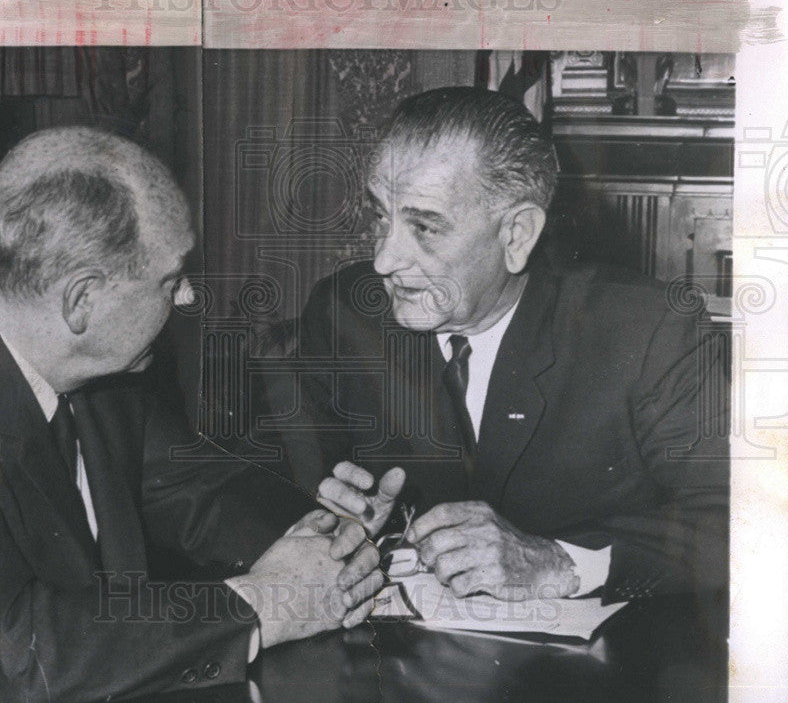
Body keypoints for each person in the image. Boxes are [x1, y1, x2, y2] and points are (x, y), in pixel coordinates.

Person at [0, 127, 383, 703]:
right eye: (170, 279)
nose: (187, 298)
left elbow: (200, 491)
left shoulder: (102, 371)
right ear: (82, 300)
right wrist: (263, 604)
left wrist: (332, 538)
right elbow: (14, 655)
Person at [287, 87, 729, 604]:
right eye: (381, 216)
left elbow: (739, 524)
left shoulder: (647, 329)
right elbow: (287, 491)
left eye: (424, 226)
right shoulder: (345, 313)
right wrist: (336, 523)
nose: (384, 260)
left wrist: (562, 564)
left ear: (516, 235)